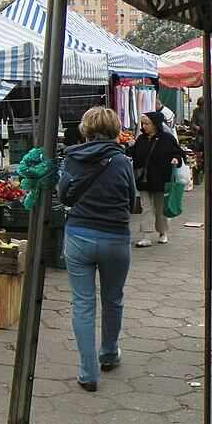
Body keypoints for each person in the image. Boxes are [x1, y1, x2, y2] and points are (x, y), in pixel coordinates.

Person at [57, 107, 138, 392]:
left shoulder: (72, 158)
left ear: (86, 129)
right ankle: (108, 353)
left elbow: (63, 194)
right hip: (115, 238)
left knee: (83, 304)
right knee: (113, 299)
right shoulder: (123, 161)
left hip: (79, 236)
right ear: (115, 129)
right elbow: (132, 201)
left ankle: (88, 372)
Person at [127, 112, 185, 247]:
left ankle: (163, 232)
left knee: (160, 208)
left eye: (147, 124)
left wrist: (176, 158)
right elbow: (134, 154)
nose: (144, 126)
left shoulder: (167, 138)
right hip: (143, 179)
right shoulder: (141, 139)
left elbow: (178, 152)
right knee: (146, 207)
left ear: (155, 124)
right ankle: (146, 236)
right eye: (143, 124)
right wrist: (129, 148)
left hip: (161, 178)